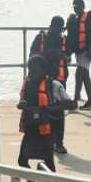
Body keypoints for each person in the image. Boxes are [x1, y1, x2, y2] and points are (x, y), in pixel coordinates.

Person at [18, 55, 75, 182]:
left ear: (44, 70)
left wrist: (48, 109)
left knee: (49, 163)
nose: (33, 72)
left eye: (36, 69)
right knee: (22, 161)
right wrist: (21, 104)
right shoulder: (27, 83)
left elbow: (72, 104)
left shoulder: (54, 85)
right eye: (31, 69)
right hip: (31, 129)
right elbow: (23, 100)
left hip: (47, 130)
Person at [30, 16, 70, 154]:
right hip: (42, 80)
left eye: (61, 28)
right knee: (42, 111)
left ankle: (58, 143)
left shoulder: (63, 40)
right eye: (57, 27)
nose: (58, 30)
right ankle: (46, 142)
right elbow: (32, 56)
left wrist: (64, 56)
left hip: (59, 81)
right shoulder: (41, 38)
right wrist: (52, 54)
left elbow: (68, 56)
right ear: (51, 26)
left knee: (59, 112)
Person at [66, 0, 91, 109]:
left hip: (89, 50)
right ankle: (90, 100)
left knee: (79, 73)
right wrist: (69, 53)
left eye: (78, 7)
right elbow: (72, 38)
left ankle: (75, 100)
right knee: (85, 74)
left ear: (83, 7)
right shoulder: (74, 19)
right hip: (80, 51)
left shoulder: (90, 16)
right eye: (74, 7)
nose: (76, 9)